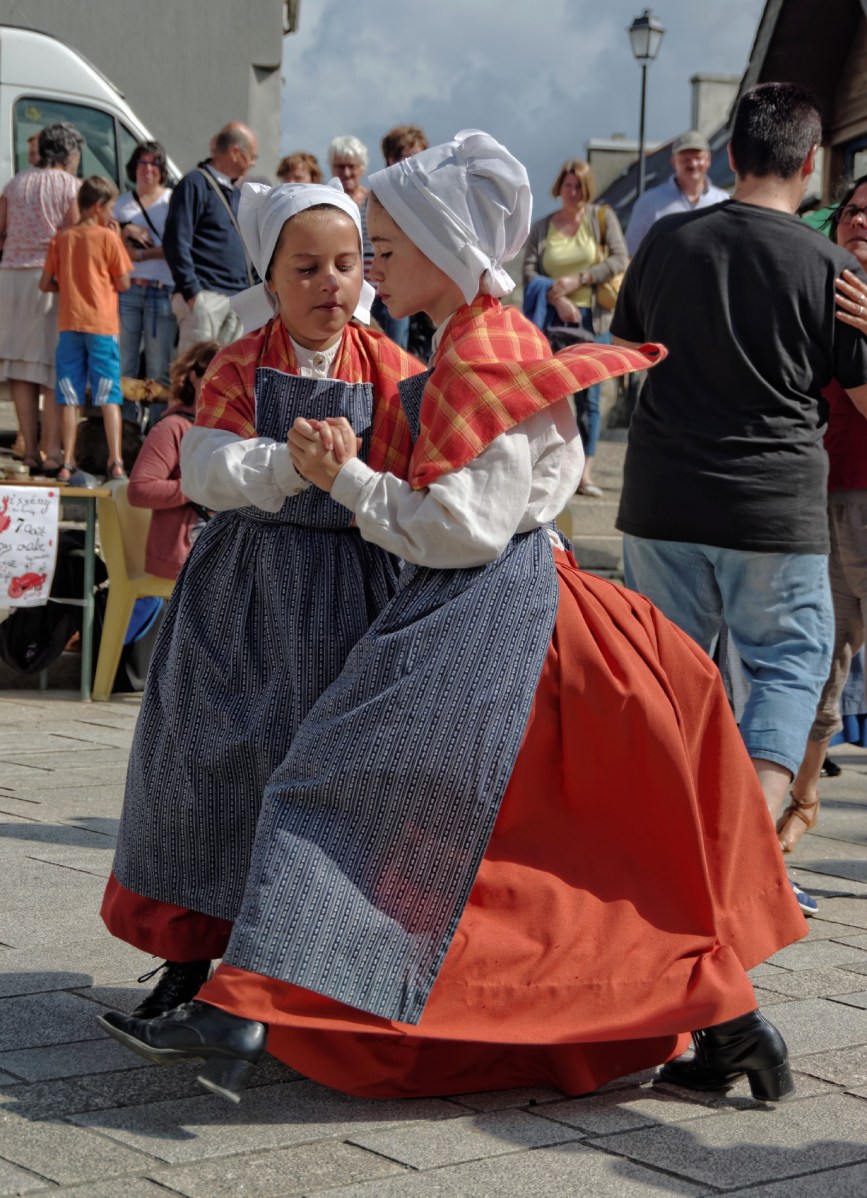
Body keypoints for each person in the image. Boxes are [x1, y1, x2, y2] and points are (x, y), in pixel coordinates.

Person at [99, 130, 806, 1109]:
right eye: (351, 253)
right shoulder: (456, 341)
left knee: (379, 805)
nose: (367, 270)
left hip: (510, 620)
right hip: (484, 609)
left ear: (439, 244)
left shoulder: (473, 353)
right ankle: (727, 1022)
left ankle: (252, 996)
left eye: (378, 249)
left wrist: (341, 474)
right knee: (549, 868)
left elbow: (460, 527)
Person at [98, 179, 423, 1019]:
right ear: (270, 277)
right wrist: (285, 465)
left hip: (355, 588)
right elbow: (204, 470)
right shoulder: (241, 359)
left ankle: (314, 966)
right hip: (246, 588)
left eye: (348, 265)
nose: (331, 284)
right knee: (209, 770)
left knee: (333, 779)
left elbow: (417, 474)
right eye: (307, 267)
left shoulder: (391, 365)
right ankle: (191, 958)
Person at [612, 83, 867, 918]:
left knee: (672, 680)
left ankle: (662, 862)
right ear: (808, 165)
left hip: (660, 498)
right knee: (787, 667)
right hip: (773, 504)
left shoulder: (662, 245)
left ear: (730, 157)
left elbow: (623, 363)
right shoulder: (831, 268)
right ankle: (738, 853)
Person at [778, 177, 867, 853]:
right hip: (820, 492)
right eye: (852, 211)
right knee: (821, 658)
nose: (859, 222)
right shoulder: (816, 290)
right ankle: (801, 802)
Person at [522, 158, 628, 496]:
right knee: (547, 394)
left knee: (590, 399)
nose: (573, 192)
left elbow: (619, 259)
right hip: (553, 319)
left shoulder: (601, 218)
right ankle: (547, 469)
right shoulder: (542, 227)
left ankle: (585, 474)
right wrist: (556, 296)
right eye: (568, 185)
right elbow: (528, 271)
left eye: (579, 186)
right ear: (559, 187)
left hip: (592, 318)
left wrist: (580, 279)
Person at [0, 122, 82, 473]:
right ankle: (50, 452)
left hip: (11, 276)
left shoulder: (16, 182)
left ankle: (29, 450)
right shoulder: (71, 186)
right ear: (69, 153)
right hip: (49, 279)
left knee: (21, 369)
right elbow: (76, 236)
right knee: (51, 367)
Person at [39, 175, 132, 482]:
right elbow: (123, 282)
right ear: (97, 207)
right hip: (102, 325)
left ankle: (67, 462)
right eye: (110, 207)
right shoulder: (108, 238)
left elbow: (45, 283)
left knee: (68, 394)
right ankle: (116, 461)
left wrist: (67, 285)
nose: (112, 214)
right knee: (109, 394)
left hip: (69, 323)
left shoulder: (61, 238)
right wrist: (116, 239)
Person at [162, 123, 258, 355]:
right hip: (205, 298)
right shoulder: (195, 183)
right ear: (235, 152)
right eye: (252, 156)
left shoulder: (236, 193)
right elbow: (175, 241)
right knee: (194, 380)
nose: (253, 163)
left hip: (235, 301)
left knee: (227, 383)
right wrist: (193, 295)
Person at [126, 340, 219, 579]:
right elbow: (139, 489)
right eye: (215, 374)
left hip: (216, 550)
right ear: (193, 378)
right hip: (185, 560)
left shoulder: (233, 428)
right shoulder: (172, 427)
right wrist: (199, 485)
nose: (224, 383)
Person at [114, 141, 177, 401]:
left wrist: (139, 254)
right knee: (124, 364)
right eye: (143, 162)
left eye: (154, 163)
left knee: (158, 368)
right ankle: (125, 429)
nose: (148, 168)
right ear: (134, 166)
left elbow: (176, 245)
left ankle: (156, 430)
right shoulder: (121, 202)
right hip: (129, 289)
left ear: (162, 170)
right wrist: (126, 230)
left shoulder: (170, 200)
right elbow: (106, 239)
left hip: (161, 290)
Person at [370, 124, 430, 350]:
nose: (416, 164)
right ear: (391, 159)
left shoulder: (429, 197)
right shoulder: (377, 199)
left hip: (420, 289)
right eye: (409, 157)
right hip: (381, 290)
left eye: (421, 157)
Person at [625, 130, 730, 255]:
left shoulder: (725, 203)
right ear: (673, 161)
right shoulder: (649, 203)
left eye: (698, 158)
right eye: (685, 159)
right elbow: (631, 253)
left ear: (708, 160)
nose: (692, 164)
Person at [327, 134, 368, 205]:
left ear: (362, 169)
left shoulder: (374, 204)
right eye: (340, 167)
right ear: (332, 168)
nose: (346, 173)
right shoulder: (325, 204)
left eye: (352, 166)